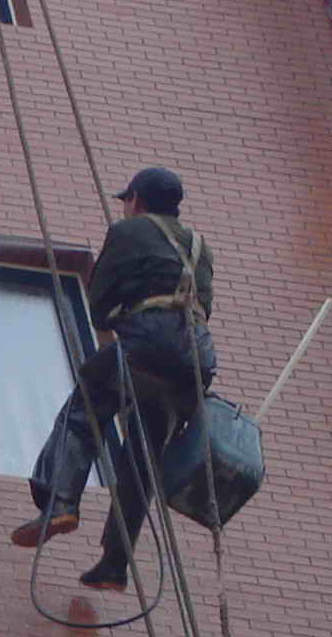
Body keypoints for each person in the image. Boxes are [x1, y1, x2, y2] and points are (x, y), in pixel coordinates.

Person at [12, 166, 217, 592]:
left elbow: (100, 304)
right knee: (141, 459)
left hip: (148, 344)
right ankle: (114, 565)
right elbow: (204, 307)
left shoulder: (129, 231)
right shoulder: (200, 247)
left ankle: (60, 500)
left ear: (136, 201)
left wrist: (116, 318)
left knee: (84, 409)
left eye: (127, 201)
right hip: (194, 363)